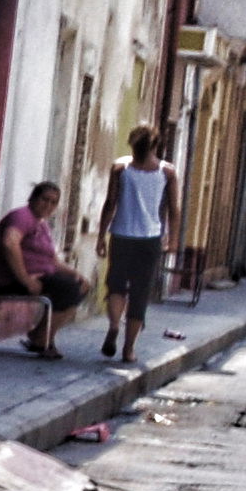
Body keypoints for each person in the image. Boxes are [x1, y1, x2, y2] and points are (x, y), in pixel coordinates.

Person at [97, 126, 174, 360]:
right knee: (140, 294)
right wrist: (173, 237)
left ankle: (113, 327)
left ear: (131, 143)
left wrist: (101, 235)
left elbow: (110, 203)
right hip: (150, 239)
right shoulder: (167, 171)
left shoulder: (120, 168)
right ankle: (128, 349)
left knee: (116, 285)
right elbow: (174, 207)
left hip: (121, 235)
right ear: (156, 144)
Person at [0, 181, 88, 358]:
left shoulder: (41, 224)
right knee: (68, 288)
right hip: (11, 280)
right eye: (45, 199)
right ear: (33, 198)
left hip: (40, 277)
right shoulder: (22, 216)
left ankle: (40, 336)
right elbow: (10, 243)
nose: (48, 205)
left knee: (79, 285)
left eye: (53, 202)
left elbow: (53, 261)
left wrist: (76, 274)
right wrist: (25, 279)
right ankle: (42, 340)